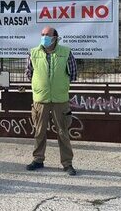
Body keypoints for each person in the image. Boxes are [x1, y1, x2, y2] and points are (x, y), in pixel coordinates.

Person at [24, 26, 78, 176]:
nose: (44, 37)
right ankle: (38, 159)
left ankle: (67, 163)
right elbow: (29, 73)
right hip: (40, 100)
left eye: (47, 35)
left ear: (55, 37)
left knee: (63, 132)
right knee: (39, 131)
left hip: (60, 100)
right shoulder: (33, 53)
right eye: (42, 34)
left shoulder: (66, 52)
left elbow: (73, 74)